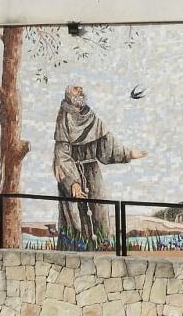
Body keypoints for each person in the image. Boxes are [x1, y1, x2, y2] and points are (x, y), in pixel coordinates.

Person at [52, 85, 146, 248]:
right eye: (76, 89)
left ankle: (103, 246)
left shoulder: (91, 117)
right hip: (73, 174)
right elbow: (61, 155)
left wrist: (128, 154)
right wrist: (72, 182)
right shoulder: (64, 118)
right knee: (76, 216)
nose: (80, 91)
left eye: (81, 89)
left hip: (92, 173)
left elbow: (107, 144)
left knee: (100, 208)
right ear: (68, 95)